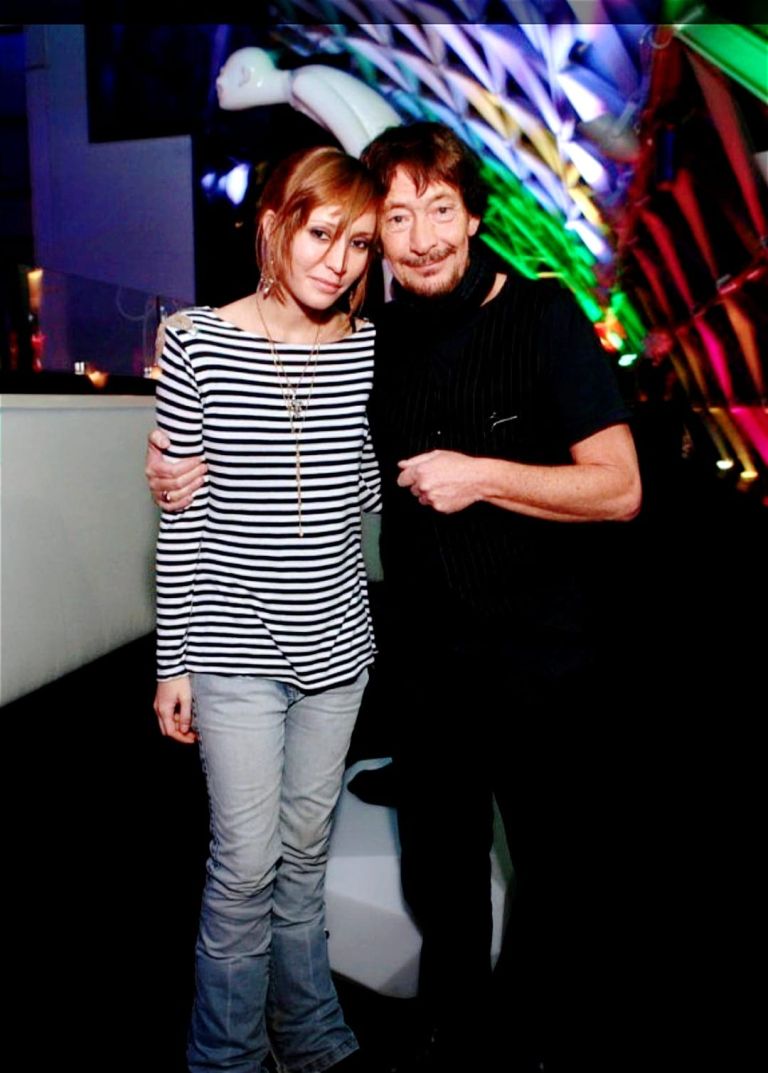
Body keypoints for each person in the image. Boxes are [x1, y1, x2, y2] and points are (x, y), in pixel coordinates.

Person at [149, 123, 642, 1073]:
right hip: (401, 663)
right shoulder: (356, 340)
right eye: (395, 221)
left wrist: (480, 474)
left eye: (437, 212)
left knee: (546, 869)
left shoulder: (520, 318)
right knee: (416, 868)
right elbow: (277, 461)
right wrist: (176, 469)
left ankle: (500, 1039)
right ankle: (415, 1034)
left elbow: (617, 488)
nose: (416, 241)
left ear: (475, 216)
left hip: (519, 660)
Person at [152, 144, 382, 1073]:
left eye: (359, 244)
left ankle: (311, 1032)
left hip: (339, 648)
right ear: (274, 225)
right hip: (233, 647)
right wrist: (171, 663)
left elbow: (366, 489)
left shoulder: (367, 349)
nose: (340, 261)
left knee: (305, 850)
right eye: (322, 233)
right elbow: (179, 518)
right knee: (246, 863)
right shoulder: (195, 340)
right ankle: (226, 1055)